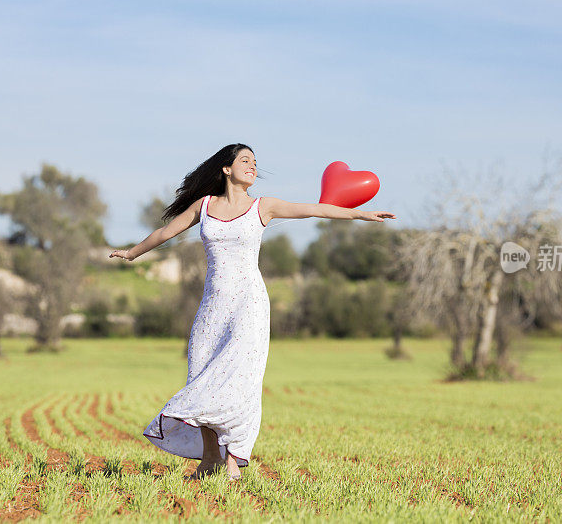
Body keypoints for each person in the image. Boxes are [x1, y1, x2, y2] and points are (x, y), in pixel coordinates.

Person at [109, 143, 396, 481]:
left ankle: (234, 460)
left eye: (255, 162)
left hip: (250, 304)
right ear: (226, 169)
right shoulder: (204, 206)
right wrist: (131, 253)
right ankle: (210, 460)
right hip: (213, 305)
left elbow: (315, 210)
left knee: (240, 379)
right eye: (245, 160)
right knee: (202, 375)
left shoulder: (265, 206)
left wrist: (362, 214)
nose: (252, 166)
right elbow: (165, 232)